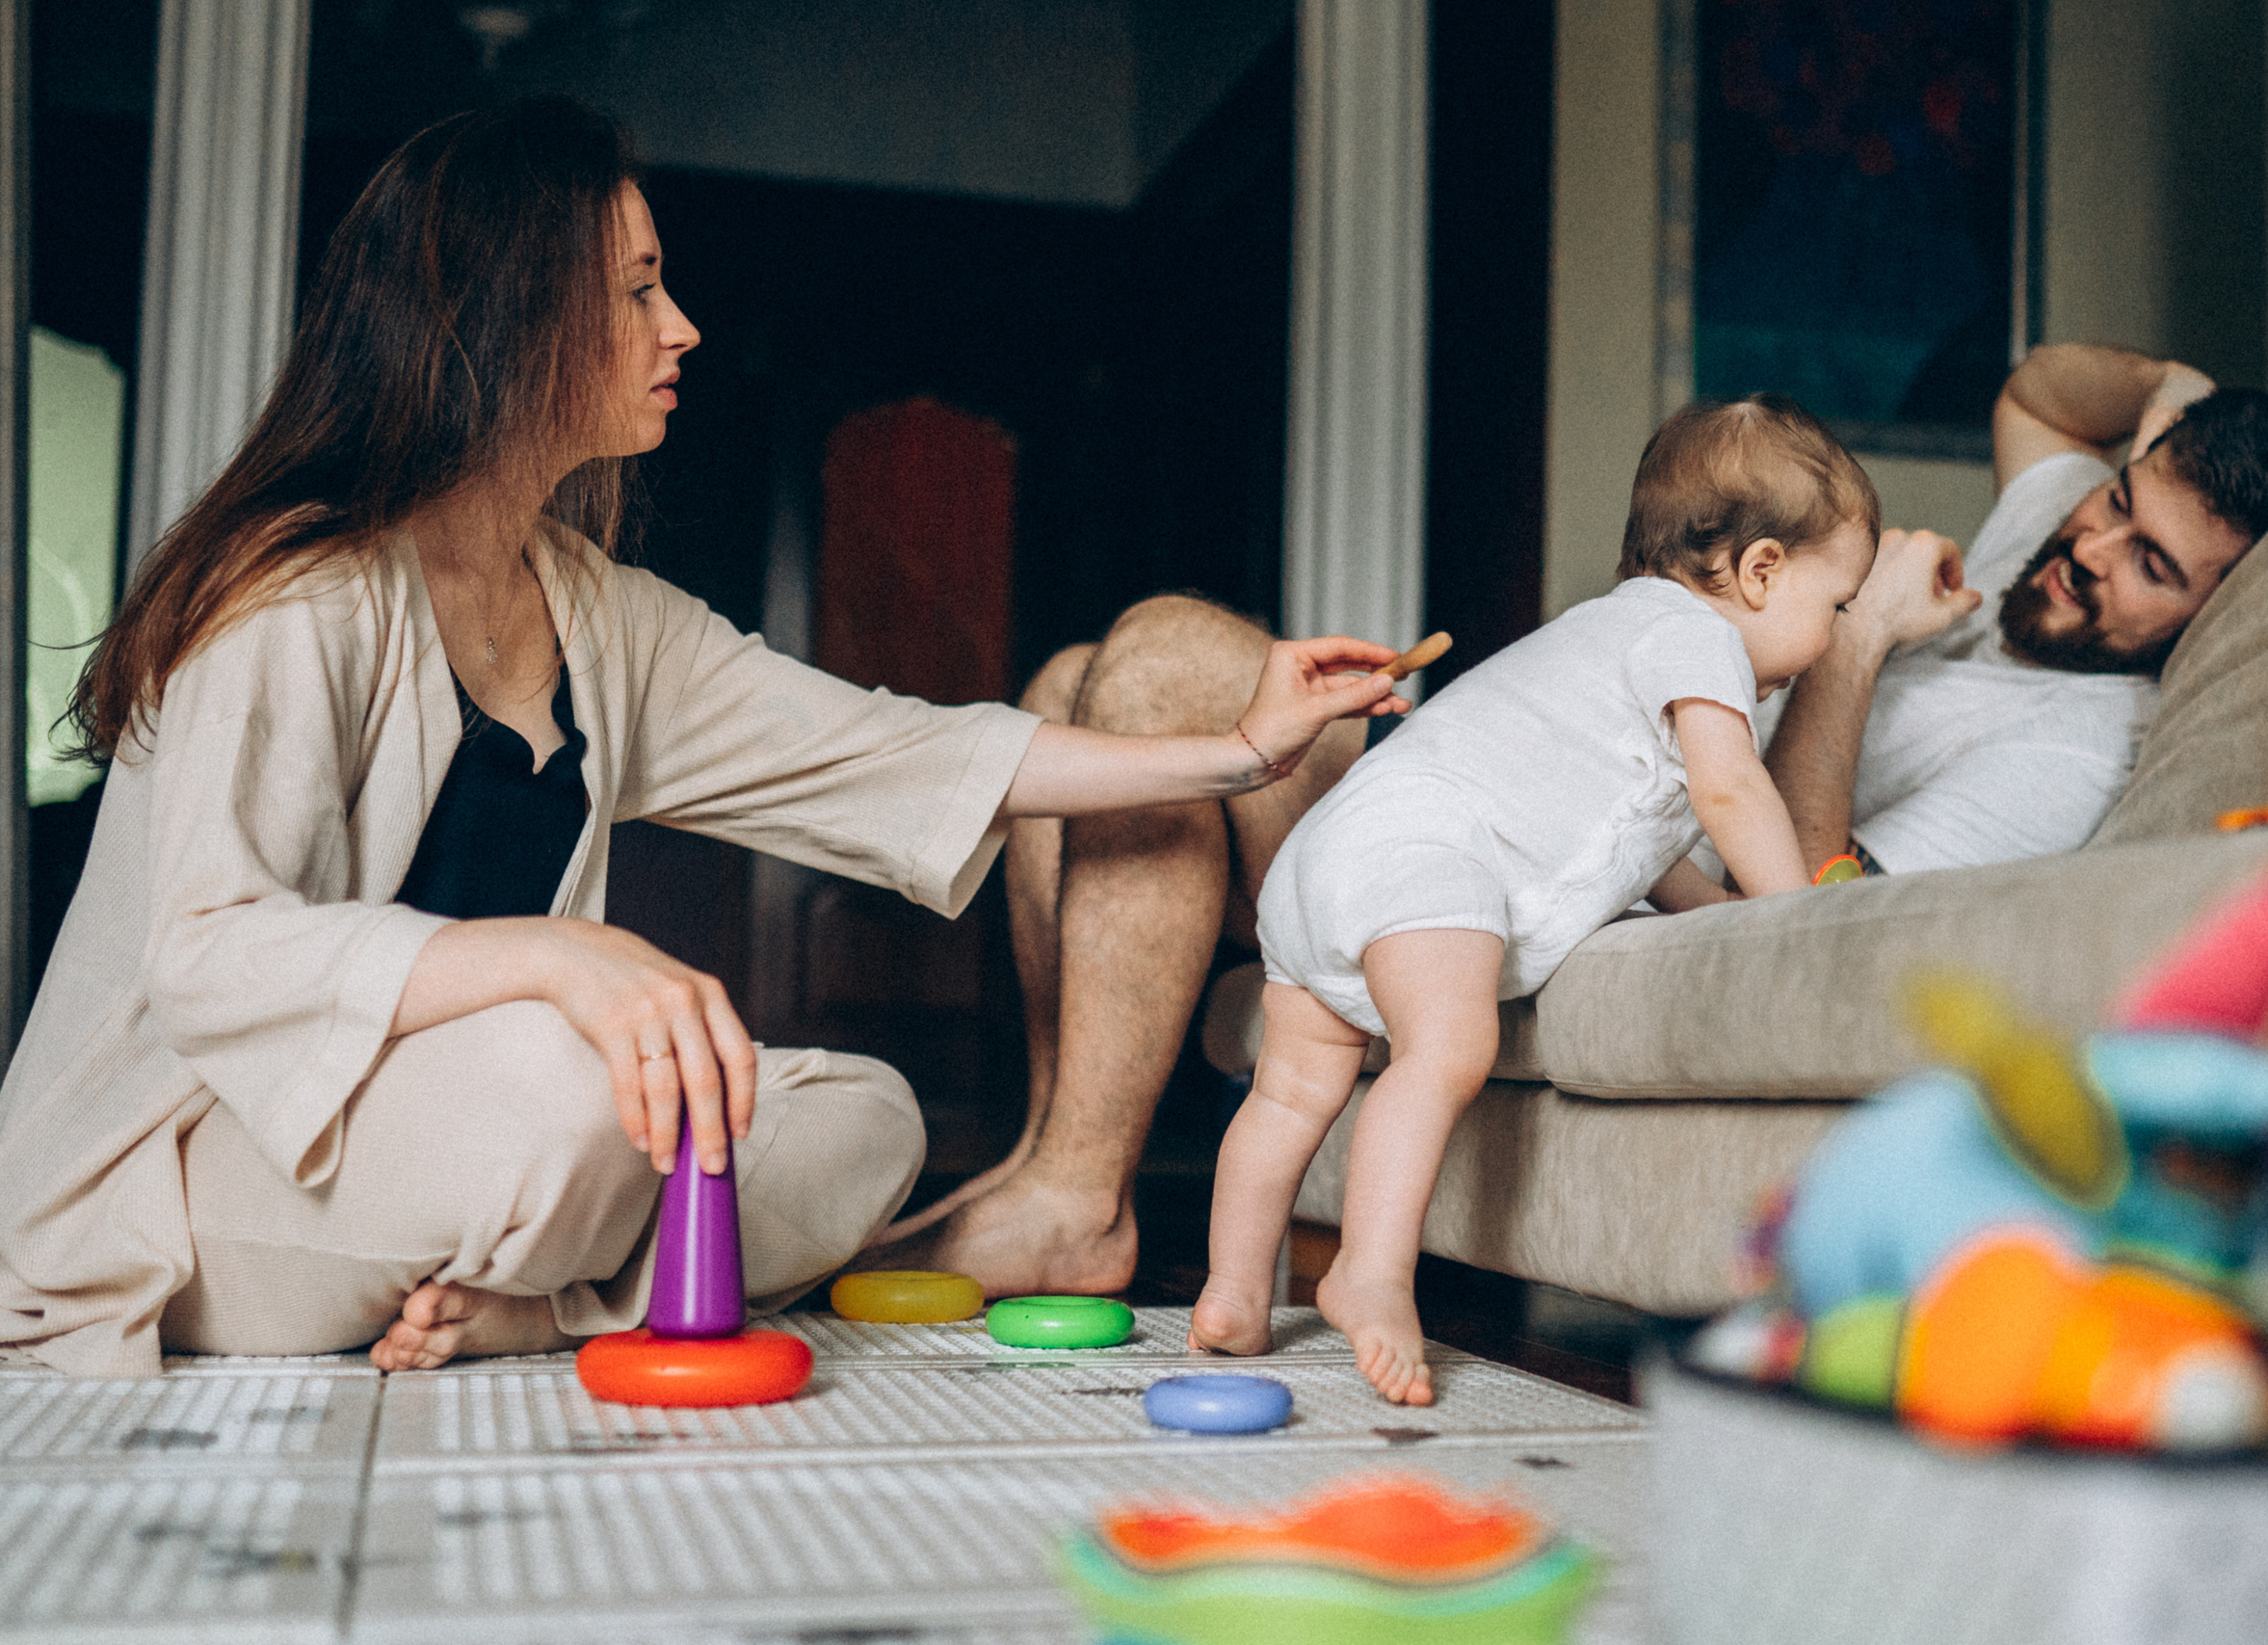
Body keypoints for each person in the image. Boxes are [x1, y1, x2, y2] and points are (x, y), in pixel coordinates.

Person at [0, 97, 1402, 1380]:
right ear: (509, 322)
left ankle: (531, 1304)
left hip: (473, 1141)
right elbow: (209, 944)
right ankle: (558, 1268)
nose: (682, 327)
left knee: (860, 1113)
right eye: (635, 292)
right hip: (193, 1172)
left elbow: (888, 753)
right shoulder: (294, 588)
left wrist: (1239, 750)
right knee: (577, 1091)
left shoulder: (595, 612)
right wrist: (561, 955)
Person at [876, 343, 2268, 1301]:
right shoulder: (2048, 538)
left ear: (2214, 617)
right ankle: (1062, 1167)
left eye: (2151, 564)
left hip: (1539, 871)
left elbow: (1821, 889)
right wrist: (2168, 398)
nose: (2090, 547)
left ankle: (1074, 1195)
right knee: (1082, 681)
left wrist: (1855, 645)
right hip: (1491, 822)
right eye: (2117, 504)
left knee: (1154, 658)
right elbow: (2039, 390)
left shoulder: (2078, 747)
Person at [1191, 397, 1877, 1403]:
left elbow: (1634, 851)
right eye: (1837, 608)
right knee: (1447, 1047)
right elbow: (1730, 789)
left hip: (1330, 856)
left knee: (1292, 1091)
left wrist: (1718, 909)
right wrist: (1792, 912)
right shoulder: (1698, 640)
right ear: (1762, 570)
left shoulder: (1604, 639)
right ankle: (1369, 1272)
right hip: (1419, 854)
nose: (1830, 638)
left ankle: (1234, 1291)